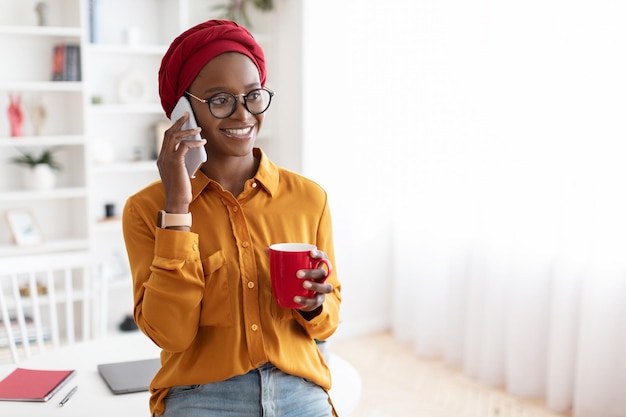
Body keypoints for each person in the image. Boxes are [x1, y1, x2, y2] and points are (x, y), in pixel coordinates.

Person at [122, 20, 342, 417]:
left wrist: (313, 306)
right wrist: (177, 209)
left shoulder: (309, 198)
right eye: (220, 99)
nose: (244, 114)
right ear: (184, 110)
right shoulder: (144, 210)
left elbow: (326, 325)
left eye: (253, 95)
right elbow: (169, 333)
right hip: (200, 395)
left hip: (298, 388)